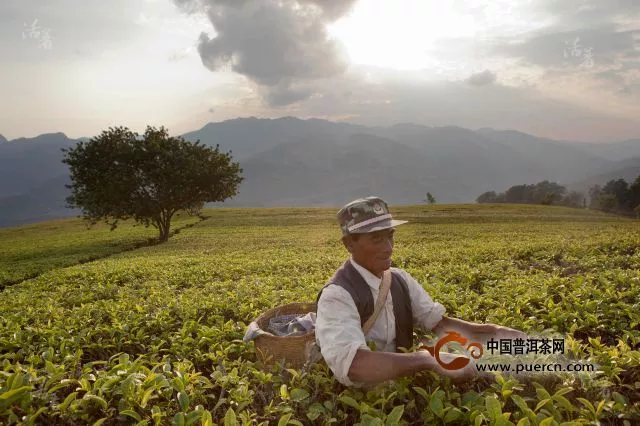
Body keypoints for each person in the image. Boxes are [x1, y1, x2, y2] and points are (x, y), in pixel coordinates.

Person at [315, 196, 527, 387]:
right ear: (350, 244)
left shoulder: (399, 279)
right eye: (376, 239)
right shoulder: (337, 295)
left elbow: (439, 324)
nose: (388, 248)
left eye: (390, 236)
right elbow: (353, 365)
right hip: (364, 402)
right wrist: (428, 359)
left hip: (403, 387)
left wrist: (497, 332)